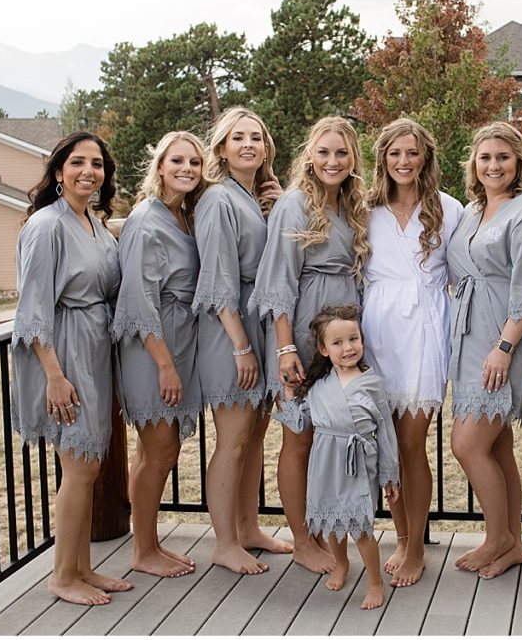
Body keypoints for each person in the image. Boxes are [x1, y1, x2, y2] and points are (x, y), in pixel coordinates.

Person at [11, 131, 132, 605]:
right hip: (64, 352)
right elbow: (33, 308)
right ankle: (62, 576)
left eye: (97, 164)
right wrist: (54, 377)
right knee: (79, 467)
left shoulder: (95, 225)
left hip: (95, 348)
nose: (89, 171)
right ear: (59, 171)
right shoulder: (46, 226)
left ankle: (83, 566)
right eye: (78, 162)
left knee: (88, 463)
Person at [250, 116, 370, 573]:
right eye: (324, 152)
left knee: (327, 436)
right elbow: (277, 283)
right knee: (299, 437)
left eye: (341, 153)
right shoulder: (295, 206)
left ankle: (321, 531)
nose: (333, 161)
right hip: (300, 331)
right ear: (310, 156)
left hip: (343, 332)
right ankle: (301, 538)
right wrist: (285, 348)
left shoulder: (350, 204)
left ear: (353, 158)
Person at [446, 122, 522, 579]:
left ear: (520, 163)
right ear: (474, 163)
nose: (493, 166)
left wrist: (505, 346)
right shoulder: (473, 211)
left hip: (505, 339)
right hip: (470, 335)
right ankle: (512, 542)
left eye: (503, 158)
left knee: (467, 445)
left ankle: (497, 538)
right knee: (497, 447)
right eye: (485, 157)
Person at [362, 117, 463, 587]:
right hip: (378, 330)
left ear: (425, 158)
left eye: (412, 152)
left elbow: (465, 275)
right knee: (387, 446)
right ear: (383, 158)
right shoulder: (365, 209)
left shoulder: (448, 208)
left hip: (425, 329)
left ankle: (417, 547)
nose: (403, 161)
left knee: (410, 443)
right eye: (395, 153)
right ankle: (401, 538)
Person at [112, 131, 210, 578]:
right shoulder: (145, 222)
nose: (187, 168)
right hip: (152, 351)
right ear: (159, 166)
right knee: (162, 449)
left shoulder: (181, 216)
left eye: (194, 162)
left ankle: (147, 542)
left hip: (177, 342)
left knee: (149, 452)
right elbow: (136, 300)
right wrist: (166, 365)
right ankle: (143, 552)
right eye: (178, 161)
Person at [193, 107, 285, 574]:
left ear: (266, 148)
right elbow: (216, 281)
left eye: (256, 137)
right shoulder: (217, 200)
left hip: (260, 323)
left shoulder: (255, 197)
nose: (248, 144)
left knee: (254, 436)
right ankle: (225, 541)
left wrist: (281, 201)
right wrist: (241, 346)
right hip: (231, 331)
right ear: (222, 148)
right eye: (237, 137)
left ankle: (248, 527)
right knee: (231, 440)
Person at [279, 304, 400, 609]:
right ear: (322, 348)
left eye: (353, 339)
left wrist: (389, 474)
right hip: (325, 461)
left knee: (360, 527)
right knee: (332, 523)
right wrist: (291, 394)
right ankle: (341, 562)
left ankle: (375, 582)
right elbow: (300, 423)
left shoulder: (371, 383)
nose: (348, 348)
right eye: (338, 343)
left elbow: (385, 432)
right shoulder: (319, 387)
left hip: (357, 463)